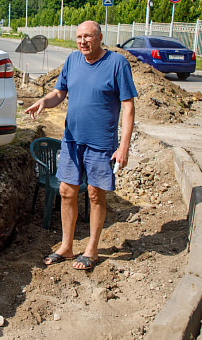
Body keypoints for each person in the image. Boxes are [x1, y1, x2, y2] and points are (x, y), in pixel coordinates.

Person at [25, 20, 138, 270]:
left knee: (96, 194)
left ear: (99, 37)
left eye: (87, 36)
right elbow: (59, 93)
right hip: (72, 140)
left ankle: (92, 249)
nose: (82, 41)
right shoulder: (73, 61)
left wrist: (124, 146)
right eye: (79, 37)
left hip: (101, 143)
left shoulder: (117, 64)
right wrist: (44, 101)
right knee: (66, 191)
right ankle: (66, 247)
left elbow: (128, 107)